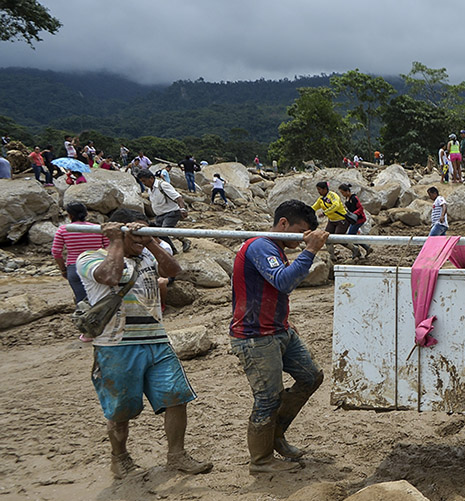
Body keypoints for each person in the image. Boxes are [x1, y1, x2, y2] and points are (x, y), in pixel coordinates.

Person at [76, 210, 212, 479]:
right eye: (134, 234)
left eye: (144, 231)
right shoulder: (89, 258)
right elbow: (110, 277)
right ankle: (120, 458)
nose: (139, 237)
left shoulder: (147, 254)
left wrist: (150, 241)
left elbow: (174, 271)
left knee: (177, 396)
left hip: (156, 340)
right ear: (119, 232)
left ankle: (176, 456)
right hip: (116, 345)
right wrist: (116, 241)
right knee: (121, 407)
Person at [230, 200, 328, 474]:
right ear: (283, 224)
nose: (303, 238)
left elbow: (275, 289)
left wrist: (283, 320)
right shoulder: (261, 246)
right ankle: (260, 461)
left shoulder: (275, 249)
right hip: (254, 336)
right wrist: (310, 250)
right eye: (301, 231)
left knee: (311, 377)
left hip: (278, 330)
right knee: (267, 397)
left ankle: (275, 435)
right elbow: (283, 281)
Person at [51, 202, 109, 314]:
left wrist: (63, 269)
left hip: (74, 267)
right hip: (96, 266)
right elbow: (108, 248)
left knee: (82, 301)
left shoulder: (64, 230)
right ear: (86, 214)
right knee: (100, 297)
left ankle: (86, 327)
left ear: (70, 215)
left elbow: (56, 252)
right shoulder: (97, 229)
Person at [138, 168, 190, 254]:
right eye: (142, 182)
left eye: (144, 181)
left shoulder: (162, 185)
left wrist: (182, 209)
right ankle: (175, 247)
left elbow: (178, 197)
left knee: (164, 231)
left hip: (171, 212)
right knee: (158, 232)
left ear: (151, 178)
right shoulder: (150, 190)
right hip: (160, 215)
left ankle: (180, 244)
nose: (144, 183)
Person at [310, 181, 355, 262]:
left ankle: (355, 249)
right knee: (326, 238)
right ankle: (332, 256)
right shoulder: (321, 199)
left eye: (319, 189)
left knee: (338, 238)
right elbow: (314, 207)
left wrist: (325, 213)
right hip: (332, 221)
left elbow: (336, 205)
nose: (318, 191)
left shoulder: (333, 195)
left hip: (341, 220)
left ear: (325, 189)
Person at [336, 183, 367, 259]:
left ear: (347, 191)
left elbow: (360, 208)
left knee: (351, 236)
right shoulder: (348, 199)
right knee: (353, 236)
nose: (342, 194)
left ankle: (357, 251)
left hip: (359, 219)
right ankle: (366, 248)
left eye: (343, 192)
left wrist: (353, 214)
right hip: (353, 220)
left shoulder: (354, 198)